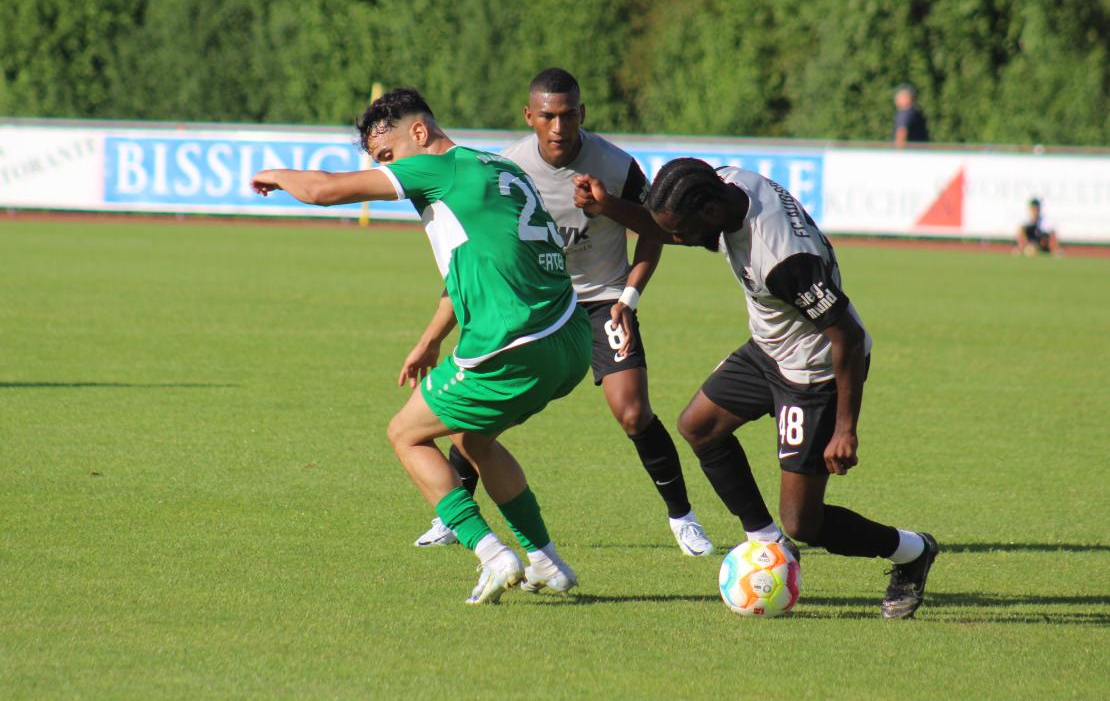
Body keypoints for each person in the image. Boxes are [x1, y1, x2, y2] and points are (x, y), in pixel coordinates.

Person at [251, 88, 591, 604]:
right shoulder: (500, 166)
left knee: (405, 434)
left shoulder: (439, 168)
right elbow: (482, 261)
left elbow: (323, 191)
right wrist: (432, 339)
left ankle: (491, 553)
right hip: (569, 336)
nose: (387, 170)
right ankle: (545, 561)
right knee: (472, 440)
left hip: (514, 343)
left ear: (419, 132)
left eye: (387, 157)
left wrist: (275, 174)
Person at [572, 157, 939, 619]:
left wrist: (845, 428)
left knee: (805, 521)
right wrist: (609, 207)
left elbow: (844, 334)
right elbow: (664, 222)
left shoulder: (784, 260)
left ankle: (911, 552)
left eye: (681, 233)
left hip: (815, 372)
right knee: (699, 426)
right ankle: (767, 541)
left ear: (708, 214)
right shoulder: (723, 184)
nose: (677, 241)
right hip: (770, 348)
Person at [413, 68, 713, 556]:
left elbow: (656, 230)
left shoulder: (616, 165)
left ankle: (683, 517)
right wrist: (442, 328)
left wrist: (628, 293)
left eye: (568, 114)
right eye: (548, 116)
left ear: (582, 114)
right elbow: (477, 245)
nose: (559, 126)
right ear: (529, 116)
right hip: (534, 305)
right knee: (480, 417)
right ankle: (452, 515)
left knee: (633, 412)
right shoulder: (503, 166)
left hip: (603, 301)